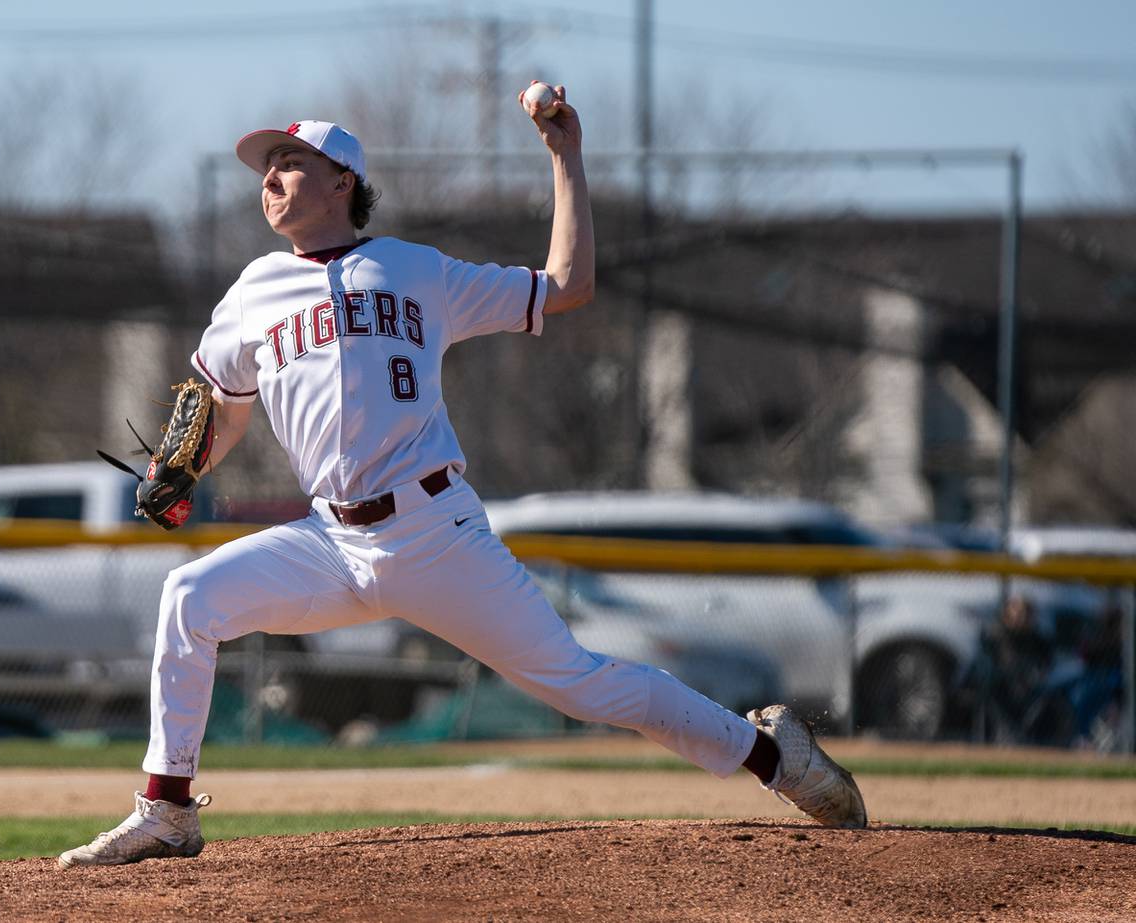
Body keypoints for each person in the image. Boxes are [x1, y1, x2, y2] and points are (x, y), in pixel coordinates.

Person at [57, 84, 866, 869]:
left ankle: (773, 755)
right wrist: (182, 467)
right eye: (265, 166)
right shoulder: (253, 292)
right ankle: (166, 811)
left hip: (436, 534)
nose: (269, 177)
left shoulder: (416, 269)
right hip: (330, 541)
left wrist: (566, 157)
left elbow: (567, 286)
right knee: (189, 598)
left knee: (581, 684)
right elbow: (222, 408)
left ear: (344, 181)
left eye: (289, 162)